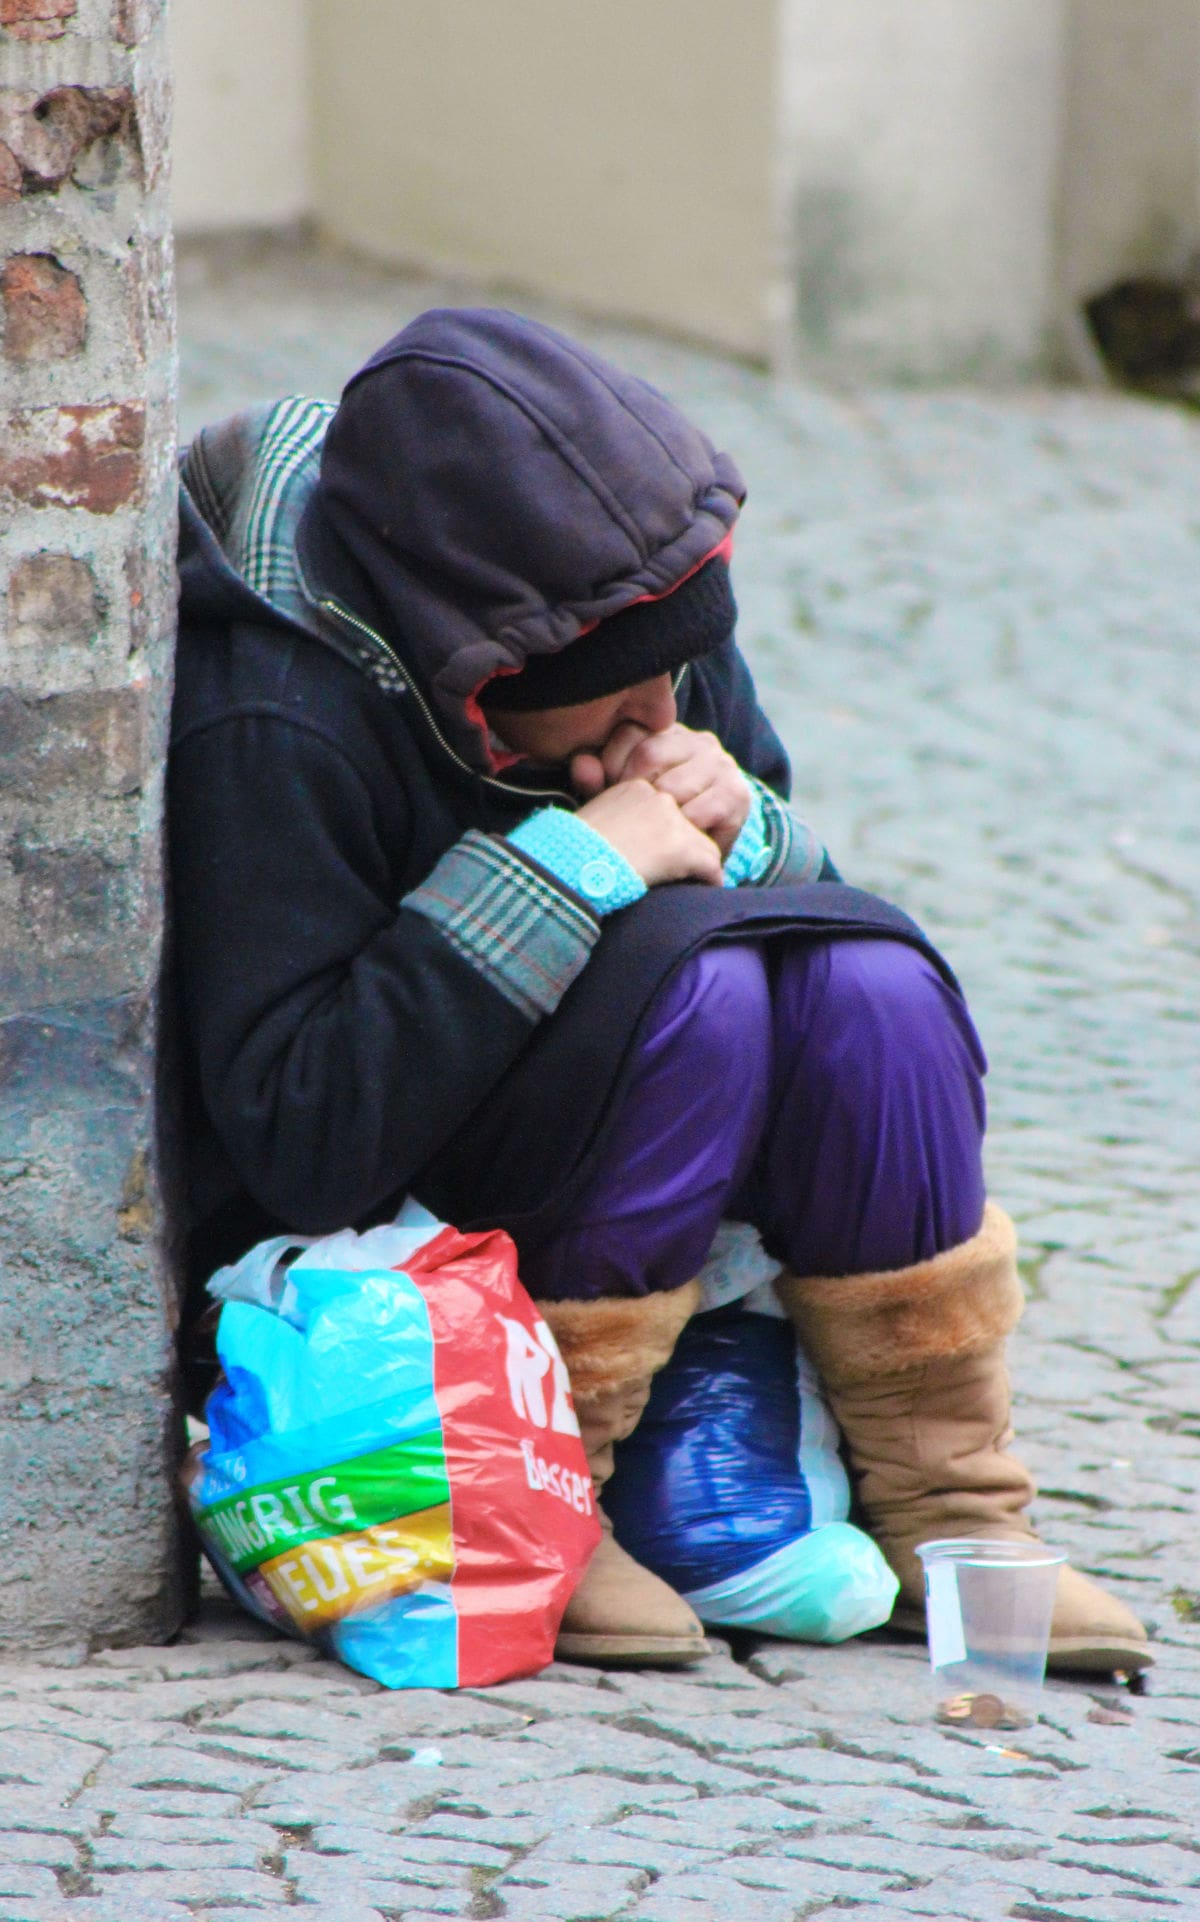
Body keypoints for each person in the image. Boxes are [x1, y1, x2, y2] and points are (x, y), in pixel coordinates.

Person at [169, 308, 1150, 1673]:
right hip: (388, 1239)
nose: (656, 714)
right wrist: (564, 870)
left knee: (867, 982)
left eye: (672, 678)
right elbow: (299, 1129)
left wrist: (750, 824)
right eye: (607, 703)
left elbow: (790, 920)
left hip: (636, 1147)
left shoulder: (642, 632)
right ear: (479, 683)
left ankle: (953, 1513)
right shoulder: (276, 707)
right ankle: (559, 1492)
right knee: (707, 993)